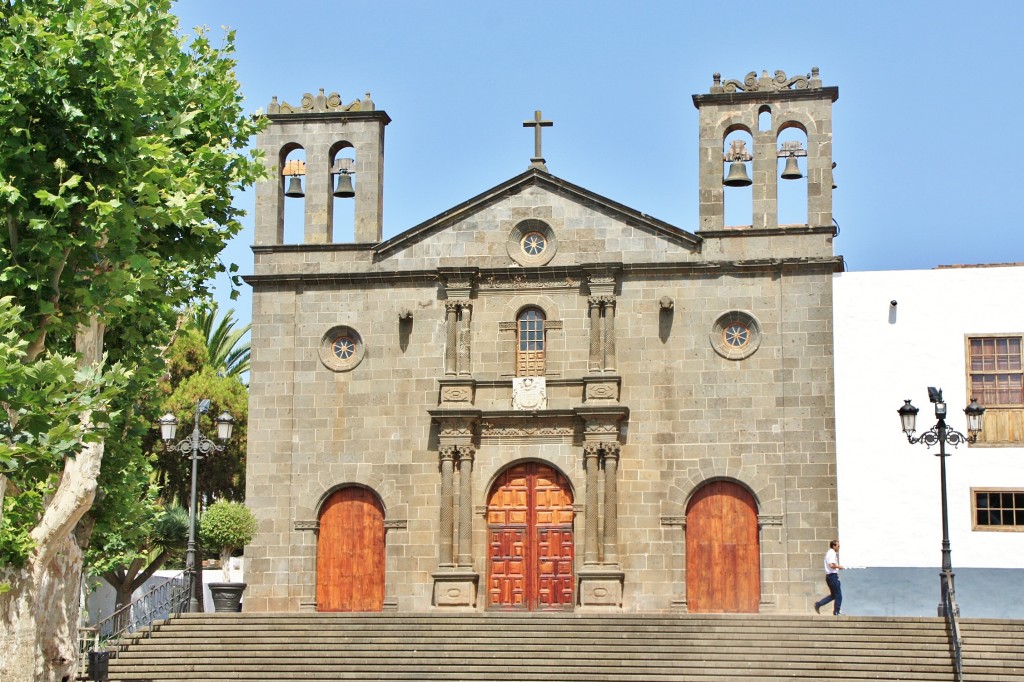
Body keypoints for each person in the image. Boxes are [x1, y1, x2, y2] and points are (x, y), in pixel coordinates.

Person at [814, 539, 843, 615]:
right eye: (838, 546)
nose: (839, 548)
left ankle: (819, 604)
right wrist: (839, 566)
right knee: (838, 595)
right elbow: (831, 565)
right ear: (834, 546)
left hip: (830, 576)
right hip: (832, 576)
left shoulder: (829, 553)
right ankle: (836, 611)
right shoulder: (832, 553)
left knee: (834, 595)